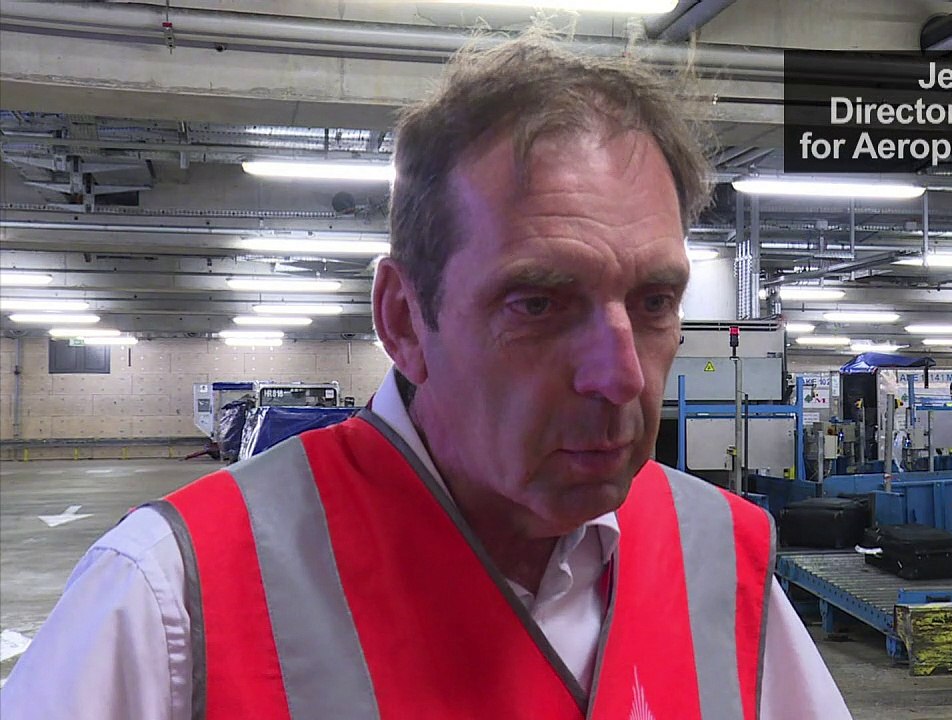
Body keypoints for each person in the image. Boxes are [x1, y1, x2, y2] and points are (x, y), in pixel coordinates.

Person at [2, 32, 851, 719]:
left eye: (655, 300)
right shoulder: (174, 600)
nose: (621, 375)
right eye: (540, 303)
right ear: (405, 320)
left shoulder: (723, 559)